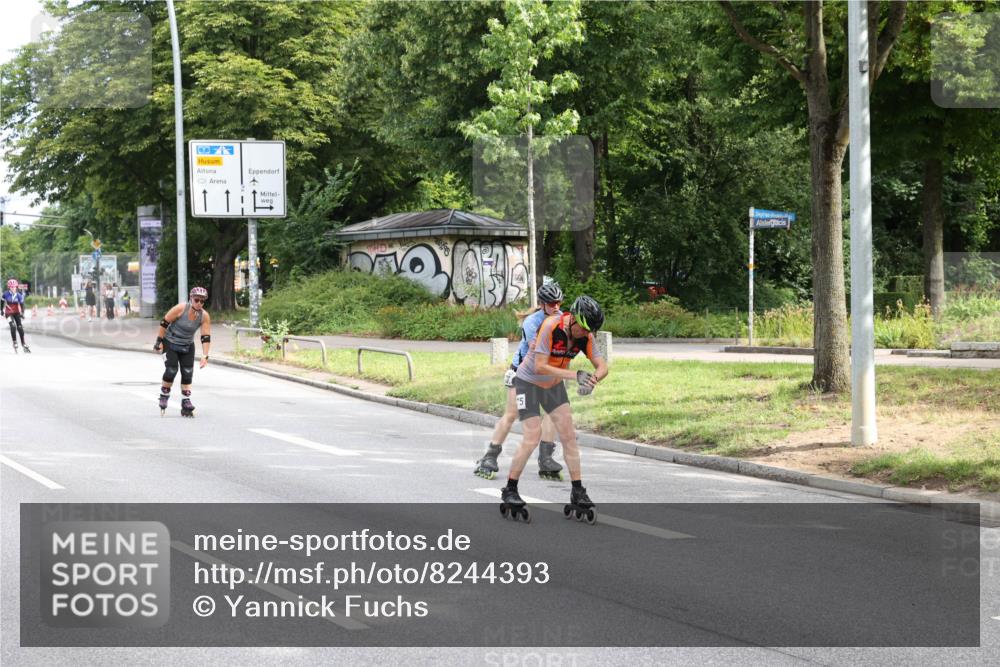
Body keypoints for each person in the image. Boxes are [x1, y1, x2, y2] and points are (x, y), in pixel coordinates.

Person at [499, 295, 608, 524]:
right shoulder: (550, 326)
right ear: (573, 320)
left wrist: (592, 381)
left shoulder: (586, 335)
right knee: (532, 436)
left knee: (569, 437)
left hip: (553, 386)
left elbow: (602, 366)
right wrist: (575, 375)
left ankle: (578, 491)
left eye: (591, 331)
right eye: (584, 329)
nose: (586, 335)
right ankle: (510, 488)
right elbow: (540, 366)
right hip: (528, 383)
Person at [475, 281, 565, 480]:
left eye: (558, 302)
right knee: (511, 414)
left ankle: (546, 457)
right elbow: (538, 349)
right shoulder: (532, 322)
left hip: (546, 372)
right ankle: (489, 457)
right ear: (542, 304)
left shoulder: (562, 318)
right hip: (522, 372)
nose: (556, 307)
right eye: (551, 303)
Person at [154, 286, 212, 417]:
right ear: (191, 298)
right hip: (170, 342)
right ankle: (164, 395)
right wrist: (158, 341)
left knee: (187, 372)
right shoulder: (181, 308)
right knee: (171, 370)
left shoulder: (204, 316)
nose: (199, 303)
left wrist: (205, 355)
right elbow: (164, 323)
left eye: (202, 301)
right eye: (196, 300)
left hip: (187, 345)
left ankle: (186, 402)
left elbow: (205, 337)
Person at [2, 279, 30, 353]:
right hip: (8, 313)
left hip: (16, 312)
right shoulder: (5, 294)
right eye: (11, 287)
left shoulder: (19, 295)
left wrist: (22, 313)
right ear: (9, 287)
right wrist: (1, 310)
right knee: (13, 326)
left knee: (20, 327)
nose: (13, 288)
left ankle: (23, 343)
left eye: (14, 287)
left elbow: (22, 305)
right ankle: (15, 342)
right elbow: (1, 302)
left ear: (16, 287)